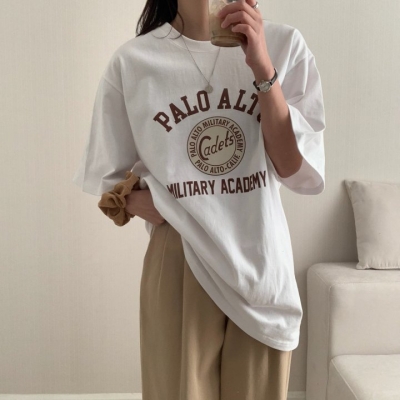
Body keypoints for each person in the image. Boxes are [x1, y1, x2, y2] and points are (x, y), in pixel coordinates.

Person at [72, 0, 326, 398]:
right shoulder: (134, 62)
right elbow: (107, 179)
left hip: (260, 259)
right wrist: (156, 203)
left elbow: (293, 169)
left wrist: (262, 66)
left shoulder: (283, 44)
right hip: (180, 257)